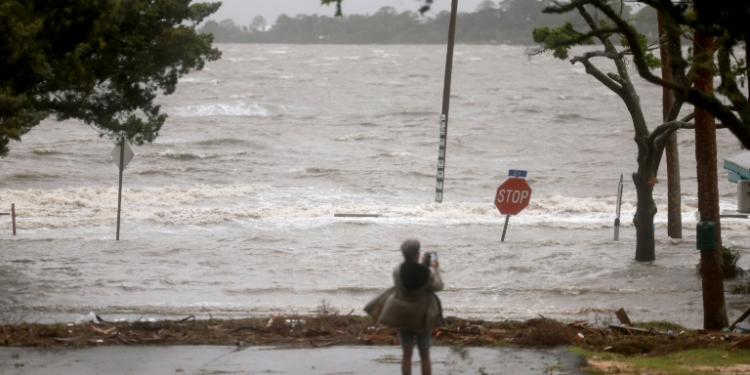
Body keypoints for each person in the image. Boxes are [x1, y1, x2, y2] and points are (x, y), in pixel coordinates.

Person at [365, 239, 444, 375]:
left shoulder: (398, 270)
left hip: (403, 315)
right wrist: (434, 270)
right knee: (425, 355)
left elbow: (409, 278)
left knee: (406, 355)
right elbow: (437, 286)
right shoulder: (426, 274)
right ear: (417, 253)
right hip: (422, 318)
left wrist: (421, 267)